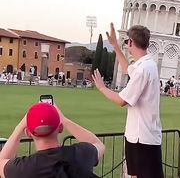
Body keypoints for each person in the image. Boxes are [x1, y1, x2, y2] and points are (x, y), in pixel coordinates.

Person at [92, 23, 163, 178]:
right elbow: (127, 69)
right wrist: (115, 46)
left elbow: (122, 100)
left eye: (126, 42)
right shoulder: (145, 65)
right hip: (142, 135)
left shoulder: (143, 69)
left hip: (141, 137)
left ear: (131, 42)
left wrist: (102, 88)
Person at [0, 103, 105, 178]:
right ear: (60, 128)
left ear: (28, 133)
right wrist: (64, 119)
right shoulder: (80, 155)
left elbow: (1, 162)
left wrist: (19, 128)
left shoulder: (23, 168)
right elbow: (98, 144)